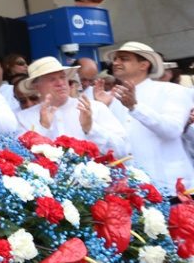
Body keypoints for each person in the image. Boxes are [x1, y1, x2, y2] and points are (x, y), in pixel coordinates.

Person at [96, 42, 194, 189]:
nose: (116, 63)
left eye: (124, 59)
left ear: (144, 65)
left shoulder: (172, 91)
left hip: (172, 187)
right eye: (115, 59)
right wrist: (101, 108)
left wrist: (135, 107)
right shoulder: (111, 98)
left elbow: (172, 130)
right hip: (129, 190)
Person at [16, 57, 128, 155]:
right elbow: (22, 158)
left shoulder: (95, 108)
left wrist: (91, 128)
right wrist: (43, 128)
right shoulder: (23, 118)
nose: (60, 83)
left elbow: (122, 151)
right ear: (36, 87)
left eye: (62, 77)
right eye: (52, 79)